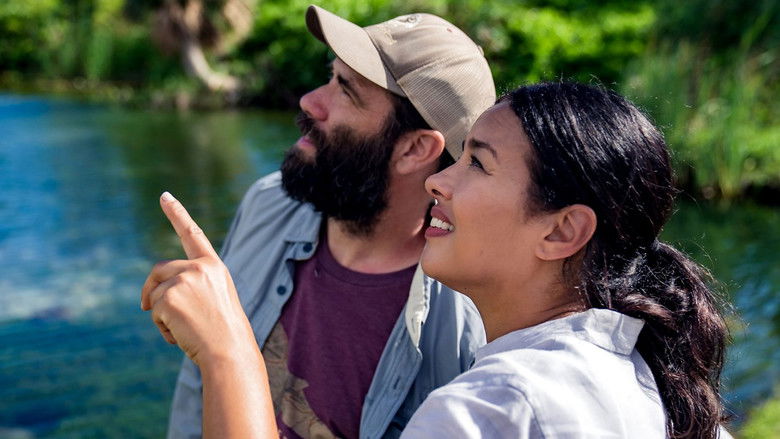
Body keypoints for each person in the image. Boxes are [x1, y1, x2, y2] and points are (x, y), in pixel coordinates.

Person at [142, 82, 730, 438]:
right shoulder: (648, 379)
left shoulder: (488, 412)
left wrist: (228, 352)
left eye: (477, 163)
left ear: (562, 231)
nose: (438, 182)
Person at [161, 5, 495, 439]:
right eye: (330, 76)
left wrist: (225, 353)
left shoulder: (468, 327)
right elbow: (195, 392)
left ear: (414, 149)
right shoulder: (269, 202)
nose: (311, 101)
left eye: (347, 91)